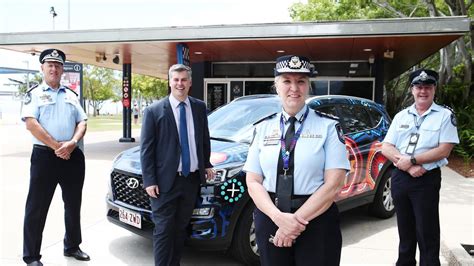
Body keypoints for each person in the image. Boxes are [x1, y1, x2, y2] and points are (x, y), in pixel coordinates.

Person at [243, 55, 350, 266]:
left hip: (317, 220)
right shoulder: (262, 128)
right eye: (287, 81)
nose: (294, 87)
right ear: (276, 85)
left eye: (301, 81)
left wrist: (293, 224)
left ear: (308, 86)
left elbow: (334, 184)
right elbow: (253, 181)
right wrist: (279, 219)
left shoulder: (328, 127)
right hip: (271, 217)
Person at [381, 69, 459, 266]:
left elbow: (445, 149)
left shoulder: (444, 115)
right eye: (419, 87)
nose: (423, 91)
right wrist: (407, 166)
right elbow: (386, 147)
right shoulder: (401, 116)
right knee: (405, 231)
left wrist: (414, 161)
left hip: (426, 179)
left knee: (427, 232)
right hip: (401, 178)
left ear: (434, 89)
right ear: (412, 89)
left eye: (427, 87)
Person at [140, 64, 215, 266]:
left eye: (183, 80)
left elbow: (203, 139)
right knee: (164, 230)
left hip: (190, 180)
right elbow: (147, 149)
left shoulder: (199, 107)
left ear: (190, 82)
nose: (179, 84)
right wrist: (149, 180)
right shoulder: (154, 111)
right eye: (176, 79)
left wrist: (206, 163)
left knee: (180, 228)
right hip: (164, 183)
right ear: (170, 82)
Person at [21, 49, 89, 266]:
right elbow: (31, 123)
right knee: (37, 207)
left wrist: (72, 143)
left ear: (62, 69)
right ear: (42, 68)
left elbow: (82, 122)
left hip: (72, 156)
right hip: (45, 157)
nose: (54, 69)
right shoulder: (34, 93)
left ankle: (72, 246)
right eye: (49, 65)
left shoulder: (71, 95)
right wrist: (56, 146)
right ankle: (31, 256)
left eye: (57, 65)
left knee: (73, 204)